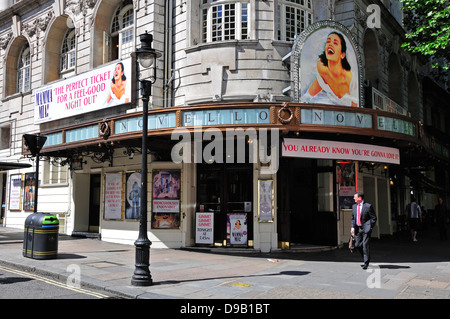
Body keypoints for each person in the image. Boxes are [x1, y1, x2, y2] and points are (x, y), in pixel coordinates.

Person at [304, 32, 358, 107]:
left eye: (335, 43)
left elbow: (356, 111)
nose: (330, 44)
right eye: (328, 41)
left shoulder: (352, 80)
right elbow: (306, 97)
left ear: (342, 55)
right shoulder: (321, 68)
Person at [351, 192, 377, 269]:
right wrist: (352, 227)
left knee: (365, 245)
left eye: (354, 197)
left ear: (360, 198)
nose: (353, 198)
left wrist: (370, 226)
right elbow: (353, 218)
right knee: (357, 245)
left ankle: (366, 262)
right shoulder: (354, 206)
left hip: (366, 229)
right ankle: (366, 256)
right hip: (357, 229)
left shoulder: (368, 206)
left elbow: (374, 218)